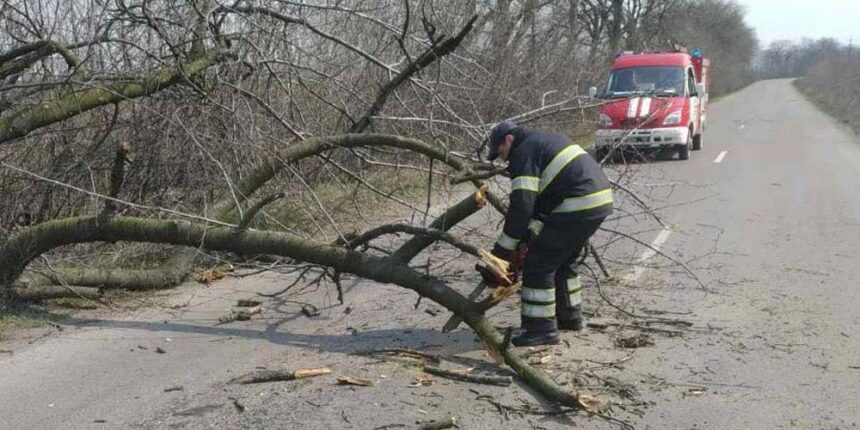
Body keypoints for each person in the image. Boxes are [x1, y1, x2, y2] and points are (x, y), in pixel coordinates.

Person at [486, 121, 613, 346]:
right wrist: (525, 239)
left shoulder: (523, 152)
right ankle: (570, 317)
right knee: (563, 259)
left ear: (508, 139)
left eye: (501, 152)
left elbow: (522, 205)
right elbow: (541, 207)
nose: (503, 159)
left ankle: (540, 330)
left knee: (538, 263)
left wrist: (501, 254)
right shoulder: (544, 142)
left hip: (578, 202)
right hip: (598, 198)